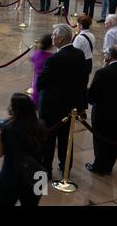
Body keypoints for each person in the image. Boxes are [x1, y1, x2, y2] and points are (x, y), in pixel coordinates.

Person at [37, 24, 86, 179]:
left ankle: (46, 170)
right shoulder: (79, 55)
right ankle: (66, 166)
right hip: (70, 107)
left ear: (61, 38)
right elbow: (82, 82)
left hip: (52, 108)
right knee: (66, 139)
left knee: (48, 141)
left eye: (54, 35)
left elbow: (41, 84)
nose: (52, 38)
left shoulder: (54, 59)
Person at [0, 93, 46, 207]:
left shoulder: (8, 128)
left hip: (12, 177)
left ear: (15, 111)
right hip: (38, 177)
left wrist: (0, 133)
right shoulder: (41, 126)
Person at [87, 45, 117, 175]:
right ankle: (109, 166)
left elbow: (92, 97)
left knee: (100, 140)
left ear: (110, 56)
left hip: (103, 113)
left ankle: (98, 165)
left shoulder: (103, 73)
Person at [72, 15, 96, 113]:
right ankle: (83, 109)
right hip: (89, 62)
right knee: (83, 85)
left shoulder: (79, 38)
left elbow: (74, 52)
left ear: (81, 25)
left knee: (77, 86)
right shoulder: (92, 35)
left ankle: (77, 108)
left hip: (81, 62)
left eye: (78, 24)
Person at [30, 34, 53, 108]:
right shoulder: (51, 57)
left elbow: (32, 59)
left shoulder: (36, 53)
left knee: (36, 98)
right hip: (46, 81)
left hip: (36, 79)